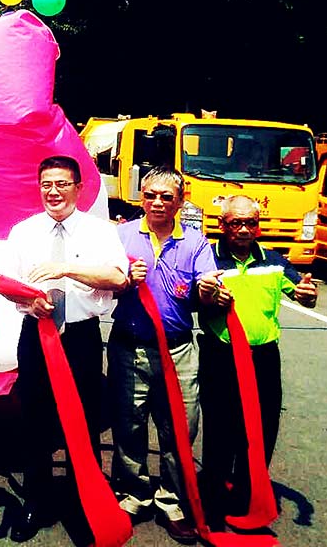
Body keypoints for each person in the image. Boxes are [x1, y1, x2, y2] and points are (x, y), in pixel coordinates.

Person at [4, 155, 129, 543]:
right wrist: (29, 302)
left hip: (80, 338)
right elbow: (7, 282)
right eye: (46, 184)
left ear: (78, 187)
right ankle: (35, 502)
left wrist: (67, 270)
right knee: (35, 421)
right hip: (37, 335)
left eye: (61, 184)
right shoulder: (23, 231)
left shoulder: (99, 231)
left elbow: (118, 277)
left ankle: (83, 502)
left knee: (85, 421)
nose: (53, 192)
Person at [109, 166, 218, 544]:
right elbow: (102, 289)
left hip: (178, 350)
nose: (157, 202)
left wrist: (208, 290)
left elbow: (206, 293)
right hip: (128, 346)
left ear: (181, 200)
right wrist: (125, 282)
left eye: (166, 196)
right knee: (128, 424)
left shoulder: (196, 242)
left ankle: (172, 501)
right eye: (150, 194)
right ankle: (132, 495)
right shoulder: (119, 236)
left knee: (180, 428)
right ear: (141, 196)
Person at [197, 195, 317, 528]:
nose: (244, 229)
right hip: (221, 356)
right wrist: (208, 297)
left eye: (251, 222)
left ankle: (247, 499)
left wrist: (309, 296)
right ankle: (214, 502)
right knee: (220, 428)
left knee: (262, 430)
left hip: (264, 357)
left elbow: (301, 292)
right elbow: (193, 296)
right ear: (222, 225)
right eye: (236, 222)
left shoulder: (275, 261)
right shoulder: (207, 258)